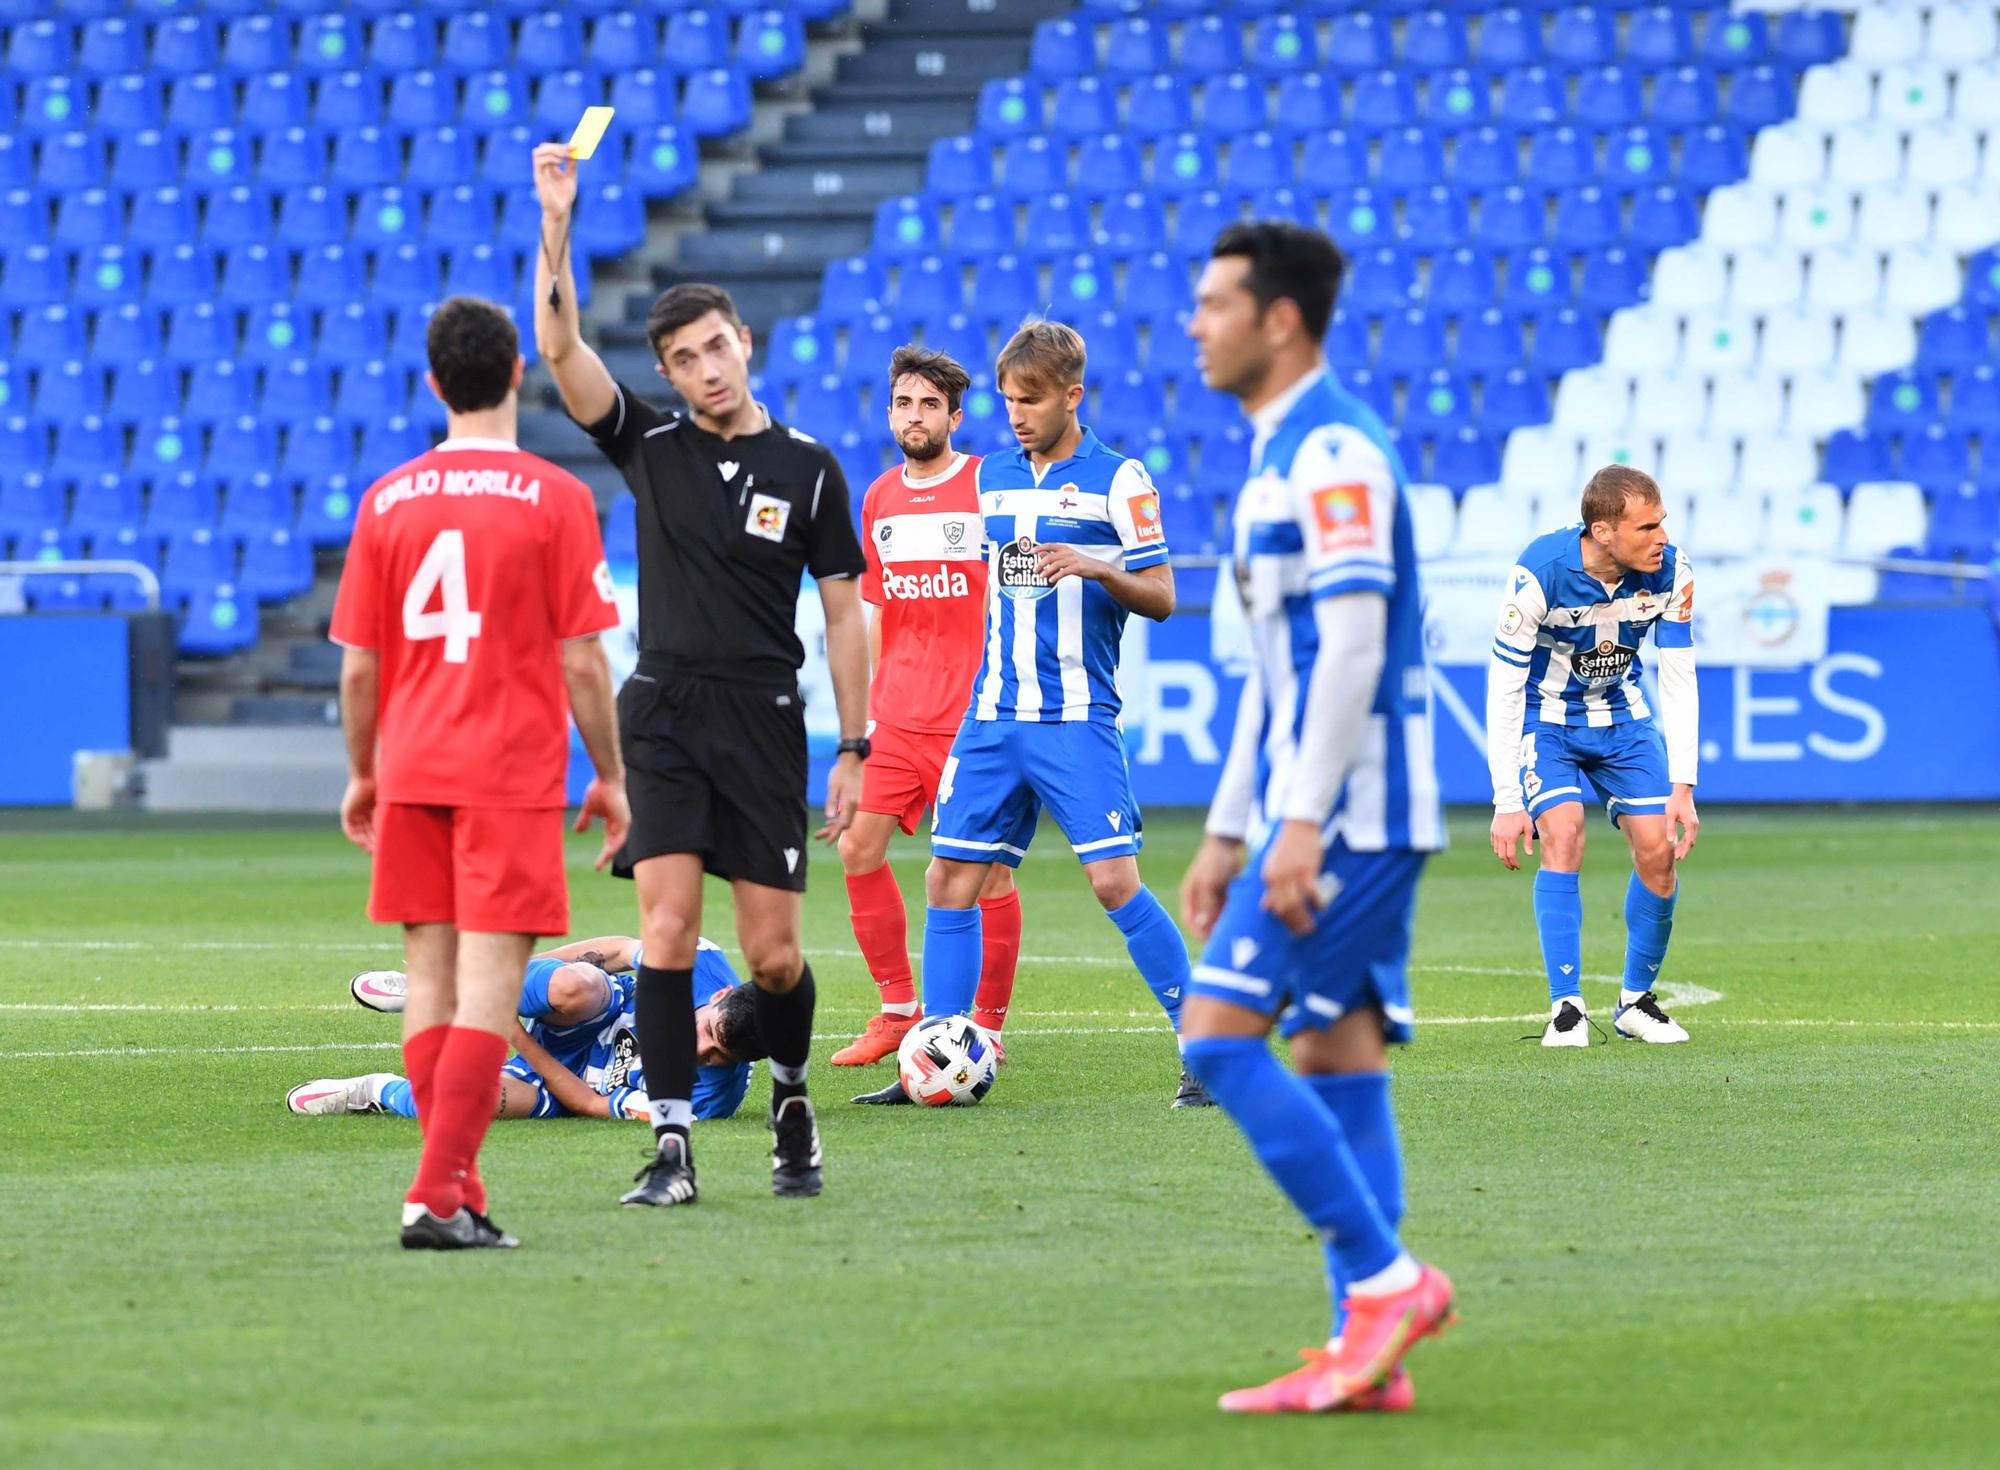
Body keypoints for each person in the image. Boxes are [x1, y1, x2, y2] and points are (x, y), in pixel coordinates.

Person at [532, 143, 870, 1206]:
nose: (706, 367)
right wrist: (557, 224)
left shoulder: (808, 470)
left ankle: (792, 1096)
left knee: (772, 959)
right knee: (668, 931)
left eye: (717, 346)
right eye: (683, 358)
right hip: (663, 712)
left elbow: (845, 610)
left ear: (744, 344)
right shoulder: (653, 449)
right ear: (669, 374)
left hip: (765, 720)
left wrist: (854, 747)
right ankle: (672, 1147)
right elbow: (558, 349)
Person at [1178, 221, 1454, 1413]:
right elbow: (1277, 675)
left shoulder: (1331, 449)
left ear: (1276, 319)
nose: (1195, 323)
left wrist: (1294, 826)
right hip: (1319, 805)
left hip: (1352, 811)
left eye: (1213, 303)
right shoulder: (1274, 455)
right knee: (1332, 1051)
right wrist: (1229, 827)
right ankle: (1365, 1353)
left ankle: (1386, 1285)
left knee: (1216, 1037)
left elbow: (1349, 650)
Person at [330, 294, 629, 1251]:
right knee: (491, 987)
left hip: (413, 763)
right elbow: (585, 659)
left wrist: (362, 772)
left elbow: (358, 666)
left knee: (430, 980)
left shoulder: (386, 500)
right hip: (508, 771)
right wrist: (612, 774)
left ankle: (455, 1183)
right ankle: (434, 1196)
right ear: (515, 375)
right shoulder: (555, 497)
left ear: (432, 383)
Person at [854, 319, 1204, 1109]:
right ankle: (933, 1061)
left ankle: (1205, 1046)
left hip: (1074, 716)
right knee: (949, 880)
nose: (1015, 413)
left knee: (1114, 882)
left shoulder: (1121, 480)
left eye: (1032, 400)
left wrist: (1095, 566)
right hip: (991, 715)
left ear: (1072, 397)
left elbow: (1164, 597)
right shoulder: (990, 479)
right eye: (1009, 398)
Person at [831, 346, 1021, 1068]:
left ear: (953, 414)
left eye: (930, 405)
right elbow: (878, 609)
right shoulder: (877, 497)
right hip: (899, 715)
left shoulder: (987, 484)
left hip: (975, 718)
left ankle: (987, 1028)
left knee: (988, 875)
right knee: (856, 846)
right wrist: (872, 712)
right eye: (904, 404)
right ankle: (895, 1010)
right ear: (890, 413)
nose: (916, 417)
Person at [1486, 464, 1700, 1047]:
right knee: (1564, 831)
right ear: (1603, 532)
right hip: (1544, 717)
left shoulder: (1673, 571)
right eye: (1647, 527)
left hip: (1623, 717)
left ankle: (1635, 1002)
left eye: (1663, 524)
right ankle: (1567, 1008)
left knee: (1659, 851)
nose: (1662, 537)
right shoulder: (1539, 574)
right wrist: (1508, 800)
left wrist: (1683, 784)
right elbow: (1503, 687)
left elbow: (1678, 675)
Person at [288, 936, 760, 1122]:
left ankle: (375, 1090)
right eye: (708, 1033)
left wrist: (517, 1037)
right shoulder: (695, 962)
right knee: (579, 983)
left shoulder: (708, 1102)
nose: (701, 1053)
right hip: (587, 1011)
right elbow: (617, 951)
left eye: (720, 1058)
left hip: (566, 1084)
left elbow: (593, 1104)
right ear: (717, 996)